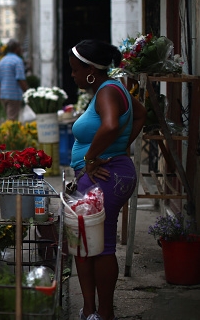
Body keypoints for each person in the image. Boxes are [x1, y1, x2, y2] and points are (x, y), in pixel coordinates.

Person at [68, 40, 146, 320]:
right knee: (90, 243)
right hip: (113, 172)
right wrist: (120, 148)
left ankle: (100, 313)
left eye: (75, 70)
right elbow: (140, 114)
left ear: (90, 70)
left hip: (104, 176)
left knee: (96, 246)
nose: (73, 75)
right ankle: (95, 310)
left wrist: (91, 158)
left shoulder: (107, 91)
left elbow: (112, 125)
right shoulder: (113, 88)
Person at [0, 39, 28, 121]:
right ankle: (8, 134)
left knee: (9, 117)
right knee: (12, 120)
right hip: (14, 95)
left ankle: (7, 133)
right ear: (16, 49)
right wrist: (28, 93)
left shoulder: (2, 61)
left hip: (3, 94)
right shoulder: (17, 61)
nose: (21, 49)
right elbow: (20, 79)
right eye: (20, 47)